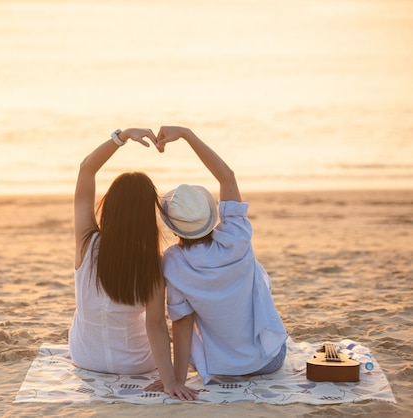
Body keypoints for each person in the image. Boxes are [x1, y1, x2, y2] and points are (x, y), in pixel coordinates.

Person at [151, 126, 288, 388]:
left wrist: (178, 380)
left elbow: (182, 323)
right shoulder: (236, 236)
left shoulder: (173, 263)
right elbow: (227, 177)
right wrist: (187, 134)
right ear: (210, 214)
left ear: (174, 226)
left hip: (221, 368)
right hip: (268, 360)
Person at [68, 128, 197, 401]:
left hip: (85, 357)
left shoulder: (86, 242)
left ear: (110, 205)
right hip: (135, 363)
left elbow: (86, 170)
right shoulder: (151, 262)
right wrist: (169, 380)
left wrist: (122, 136)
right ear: (146, 215)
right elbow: (155, 325)